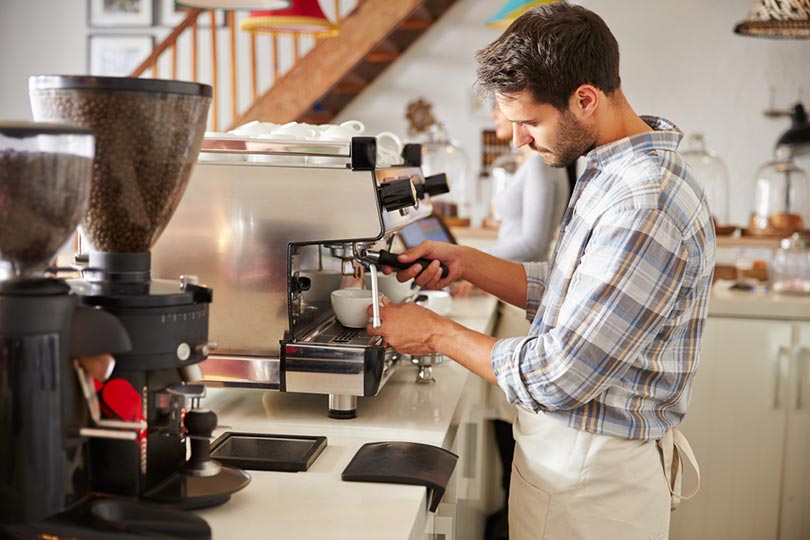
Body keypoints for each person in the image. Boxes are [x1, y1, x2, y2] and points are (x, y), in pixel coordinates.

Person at [367, 4, 715, 539]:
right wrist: (469, 263)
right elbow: (573, 291)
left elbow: (560, 374)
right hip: (577, 466)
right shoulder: (614, 170)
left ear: (584, 99)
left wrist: (434, 332)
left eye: (528, 121)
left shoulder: (643, 200)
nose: (517, 140)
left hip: (592, 483)